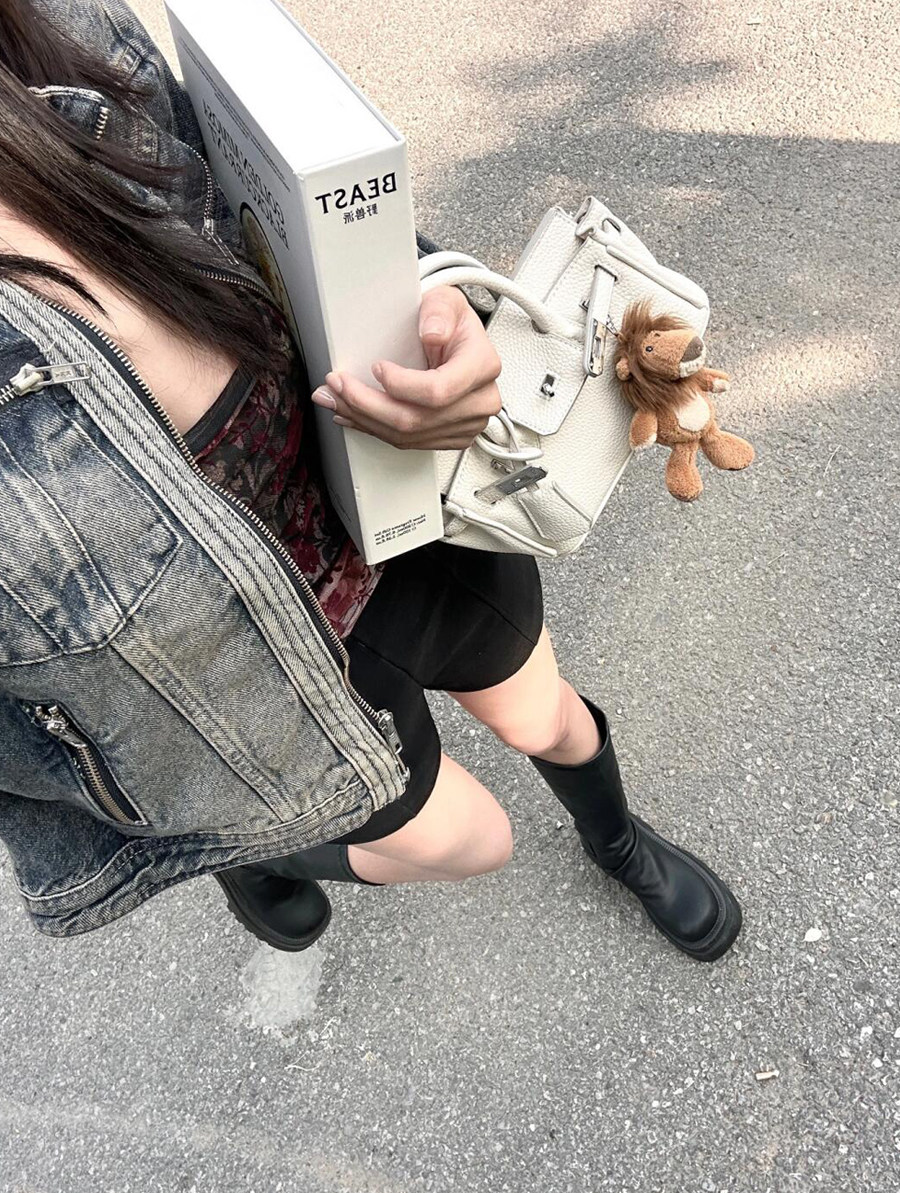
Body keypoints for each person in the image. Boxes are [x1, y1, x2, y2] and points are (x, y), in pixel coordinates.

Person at [0, 0, 741, 963]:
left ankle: (618, 843)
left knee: (549, 718)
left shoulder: (41, 25)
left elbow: (249, 196)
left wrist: (432, 307)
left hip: (387, 494)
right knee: (474, 841)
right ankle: (254, 847)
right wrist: (189, 802)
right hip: (239, 670)